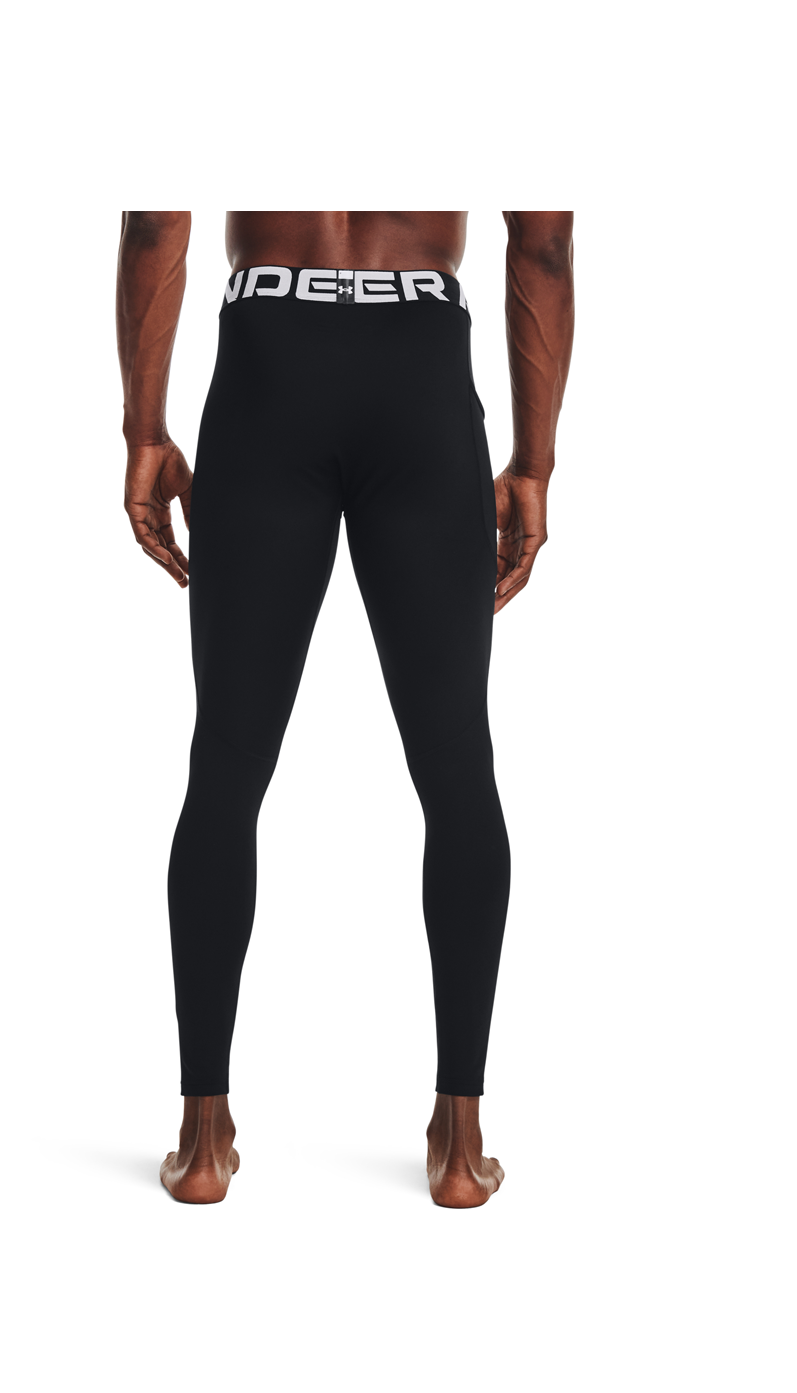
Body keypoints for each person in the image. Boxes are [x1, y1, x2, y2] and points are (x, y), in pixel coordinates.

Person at [116, 211, 575, 1207]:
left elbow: (155, 226)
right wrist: (534, 464)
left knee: (225, 764)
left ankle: (202, 1137)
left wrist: (144, 431)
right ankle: (460, 1144)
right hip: (419, 369)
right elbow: (540, 244)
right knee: (457, 768)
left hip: (266, 366)